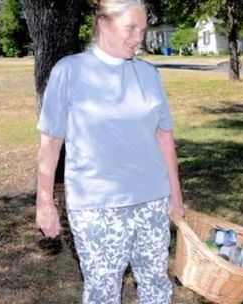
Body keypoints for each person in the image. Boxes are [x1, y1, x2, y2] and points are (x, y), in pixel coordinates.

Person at [35, 0, 186, 303]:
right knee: (103, 291)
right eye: (131, 28)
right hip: (96, 207)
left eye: (142, 29)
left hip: (152, 203)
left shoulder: (149, 75)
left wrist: (176, 196)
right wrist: (44, 202)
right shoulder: (69, 71)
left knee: (157, 284)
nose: (139, 37)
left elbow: (164, 138)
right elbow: (51, 143)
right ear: (104, 24)